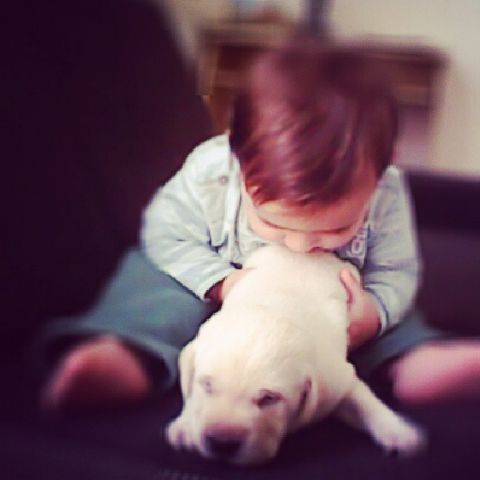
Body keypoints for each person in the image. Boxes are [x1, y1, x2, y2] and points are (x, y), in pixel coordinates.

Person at [39, 39, 480, 411]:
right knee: (158, 287)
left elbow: (396, 270)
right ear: (238, 159)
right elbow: (164, 235)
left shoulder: (387, 191)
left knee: (389, 326)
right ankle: (129, 352)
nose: (302, 245)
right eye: (272, 222)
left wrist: (375, 312)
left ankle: (415, 363)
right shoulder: (211, 171)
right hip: (216, 283)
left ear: (383, 170)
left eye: (334, 229)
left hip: (324, 308)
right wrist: (220, 283)